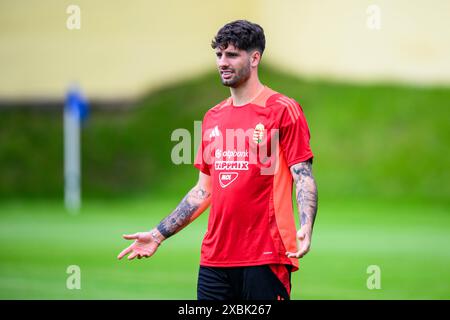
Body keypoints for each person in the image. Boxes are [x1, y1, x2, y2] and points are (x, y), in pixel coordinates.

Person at [118, 19, 318, 300]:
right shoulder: (213, 117)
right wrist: (158, 234)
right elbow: (203, 190)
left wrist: (306, 226)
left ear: (255, 58)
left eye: (232, 54)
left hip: (265, 256)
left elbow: (302, 175)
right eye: (219, 55)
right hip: (215, 259)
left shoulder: (283, 110)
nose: (222, 62)